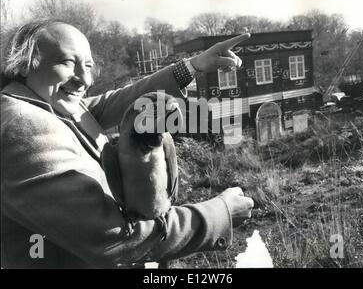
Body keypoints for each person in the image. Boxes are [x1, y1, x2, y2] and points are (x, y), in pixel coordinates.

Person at [1, 19, 254, 268]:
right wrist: (219, 215)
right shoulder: (23, 127)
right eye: (68, 62)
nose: (84, 80)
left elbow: (116, 102)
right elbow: (110, 237)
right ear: (25, 65)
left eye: (88, 66)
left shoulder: (47, 105)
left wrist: (194, 66)